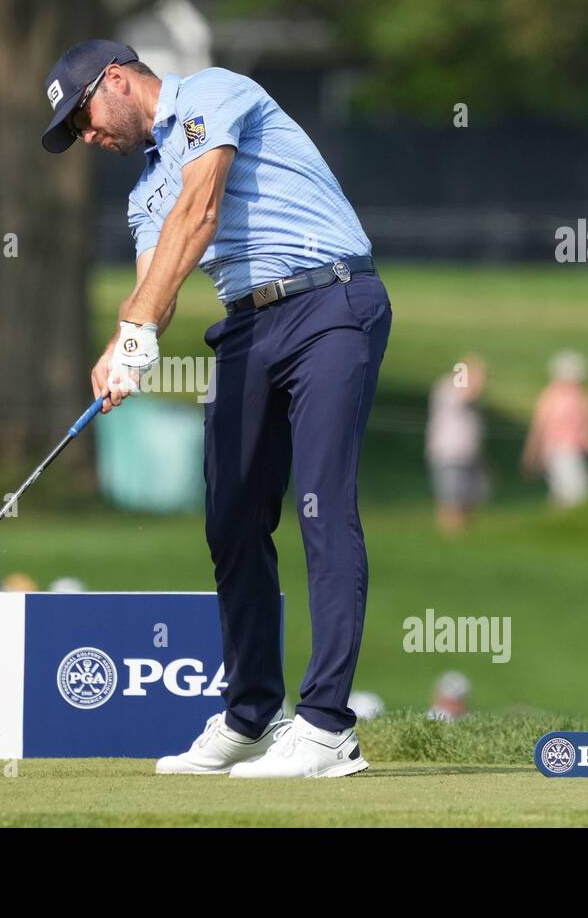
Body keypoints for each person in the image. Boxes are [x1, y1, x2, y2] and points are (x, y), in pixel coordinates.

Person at [42, 40, 392, 778]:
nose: (88, 137)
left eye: (83, 117)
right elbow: (154, 286)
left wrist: (137, 324)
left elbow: (199, 212)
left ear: (116, 81)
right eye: (76, 133)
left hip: (329, 302)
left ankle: (328, 726)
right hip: (247, 326)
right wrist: (122, 348)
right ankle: (251, 714)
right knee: (230, 515)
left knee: (323, 506)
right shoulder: (144, 191)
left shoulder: (211, 93)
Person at [522, 350, 588, 507]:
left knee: (565, 494)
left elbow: (586, 430)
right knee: (576, 495)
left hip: (567, 452)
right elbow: (541, 429)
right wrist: (531, 456)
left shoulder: (572, 397)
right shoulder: (558, 397)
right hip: (562, 452)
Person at [426, 356, 489, 534]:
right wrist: (476, 378)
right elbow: (467, 394)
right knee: (451, 499)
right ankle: (451, 534)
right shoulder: (452, 386)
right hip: (450, 452)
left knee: (470, 497)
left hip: (467, 453)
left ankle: (463, 535)